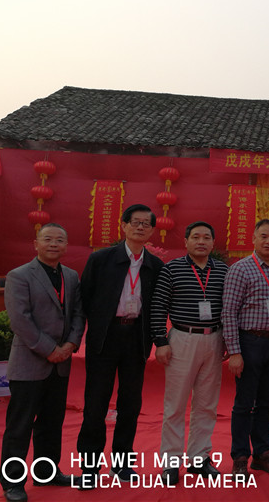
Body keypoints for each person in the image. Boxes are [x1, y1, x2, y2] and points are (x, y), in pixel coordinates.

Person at [76, 204, 164, 485]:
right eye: (135, 222)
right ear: (123, 225)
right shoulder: (100, 259)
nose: (140, 227)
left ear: (152, 231)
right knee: (96, 403)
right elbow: (85, 298)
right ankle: (90, 467)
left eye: (146, 224)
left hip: (136, 337)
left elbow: (158, 306)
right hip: (105, 337)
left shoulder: (155, 266)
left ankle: (122, 464)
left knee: (131, 403)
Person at [0, 224, 85, 502]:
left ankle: (46, 473)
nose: (53, 244)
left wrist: (71, 344)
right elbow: (20, 320)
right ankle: (13, 481)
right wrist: (50, 349)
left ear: (66, 246)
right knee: (20, 425)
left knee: (51, 422)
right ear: (35, 243)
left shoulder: (71, 276)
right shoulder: (20, 275)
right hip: (30, 362)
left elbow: (78, 314)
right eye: (47, 239)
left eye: (59, 240)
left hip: (60, 363)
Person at [150, 221, 228, 485]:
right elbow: (158, 306)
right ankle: (171, 462)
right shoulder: (172, 269)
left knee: (207, 403)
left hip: (214, 338)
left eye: (206, 237)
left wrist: (228, 341)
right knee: (176, 404)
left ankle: (199, 458)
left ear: (213, 243)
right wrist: (160, 341)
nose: (201, 242)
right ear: (186, 242)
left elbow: (229, 308)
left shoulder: (223, 271)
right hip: (182, 338)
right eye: (196, 237)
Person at [223, 219, 269, 477]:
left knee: (266, 402)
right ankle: (240, 456)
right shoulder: (240, 269)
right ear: (253, 238)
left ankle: (262, 453)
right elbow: (229, 312)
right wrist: (235, 352)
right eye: (263, 236)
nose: (268, 241)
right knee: (244, 403)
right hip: (249, 342)